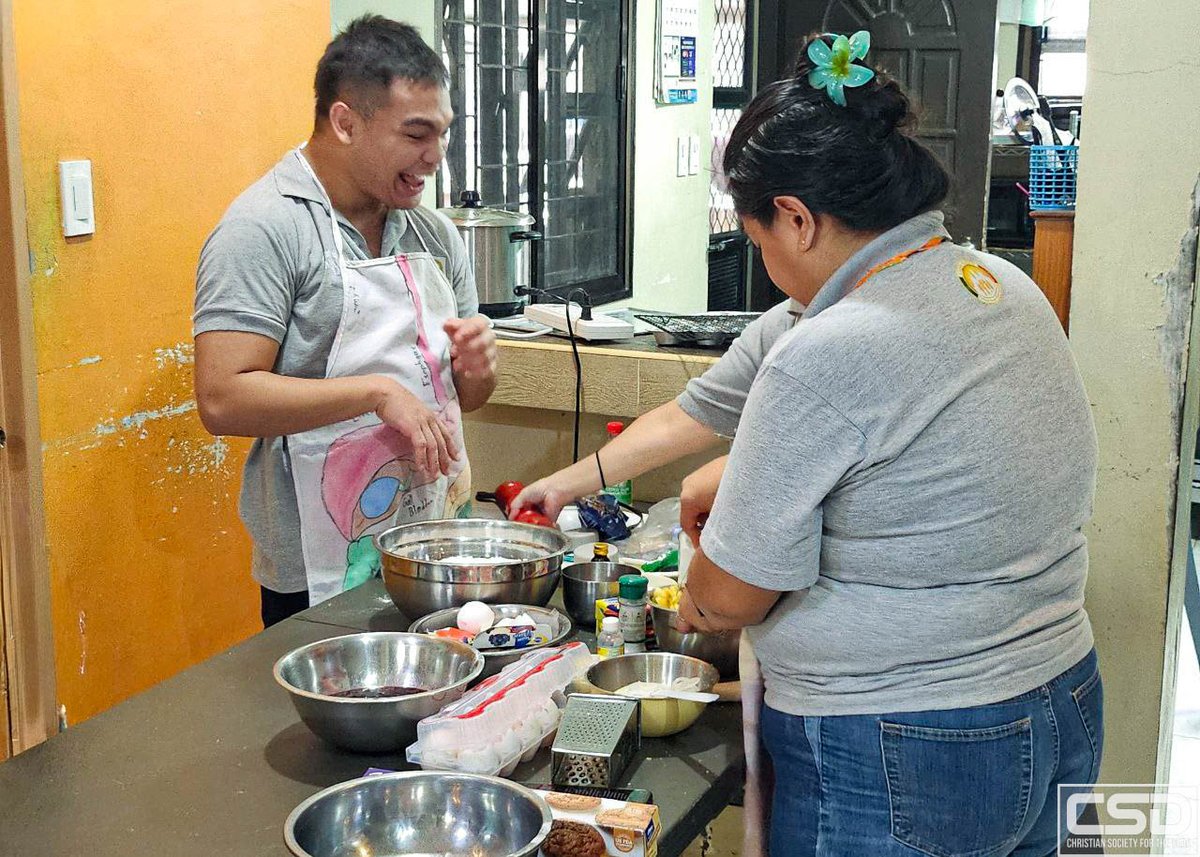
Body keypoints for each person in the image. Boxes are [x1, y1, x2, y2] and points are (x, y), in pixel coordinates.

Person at [675, 32, 1103, 855]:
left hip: (905, 742)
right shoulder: (997, 285)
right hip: (1063, 697)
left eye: (761, 243)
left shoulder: (829, 346)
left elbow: (731, 596)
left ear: (796, 219)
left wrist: (701, 593)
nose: (769, 269)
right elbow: (930, 473)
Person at [193, 16, 497, 627]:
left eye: (443, 134)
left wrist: (479, 367)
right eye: (416, 134)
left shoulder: (433, 234)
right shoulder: (265, 229)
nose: (435, 158)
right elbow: (222, 399)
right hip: (319, 562)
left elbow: (469, 398)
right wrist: (377, 394)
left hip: (433, 536)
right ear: (345, 122)